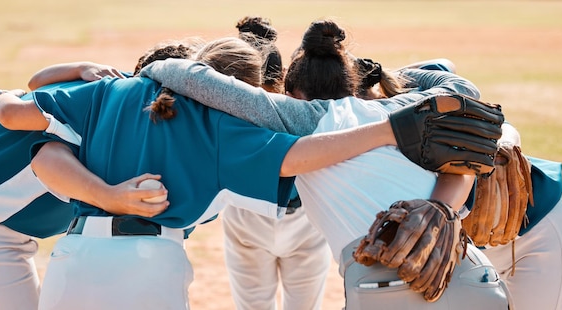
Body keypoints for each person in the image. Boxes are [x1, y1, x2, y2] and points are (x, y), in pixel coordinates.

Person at [0, 36, 414, 310]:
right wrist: (386, 130)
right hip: (149, 264)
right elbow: (297, 158)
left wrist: (1, 95)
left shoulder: (109, 88)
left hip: (72, 259)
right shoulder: (221, 127)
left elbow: (29, 134)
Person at [140, 20, 510, 308]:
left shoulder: (303, 120)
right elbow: (461, 86)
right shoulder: (400, 110)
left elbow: (194, 78)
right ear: (350, 82)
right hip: (475, 279)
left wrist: (153, 70)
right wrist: (385, 72)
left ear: (292, 93)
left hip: (389, 290)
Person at [0, 43, 194, 310]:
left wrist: (80, 67)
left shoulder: (118, 90)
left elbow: (35, 82)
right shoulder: (124, 109)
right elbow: (47, 158)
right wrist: (109, 197)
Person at [221, 16, 331, 310]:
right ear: (282, 75)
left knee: (252, 305)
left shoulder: (224, 109)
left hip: (246, 214)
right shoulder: (302, 108)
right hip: (305, 218)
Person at [464, 122, 562, 310]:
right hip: (473, 254)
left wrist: (503, 145)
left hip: (540, 231)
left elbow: (500, 124)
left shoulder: (415, 104)